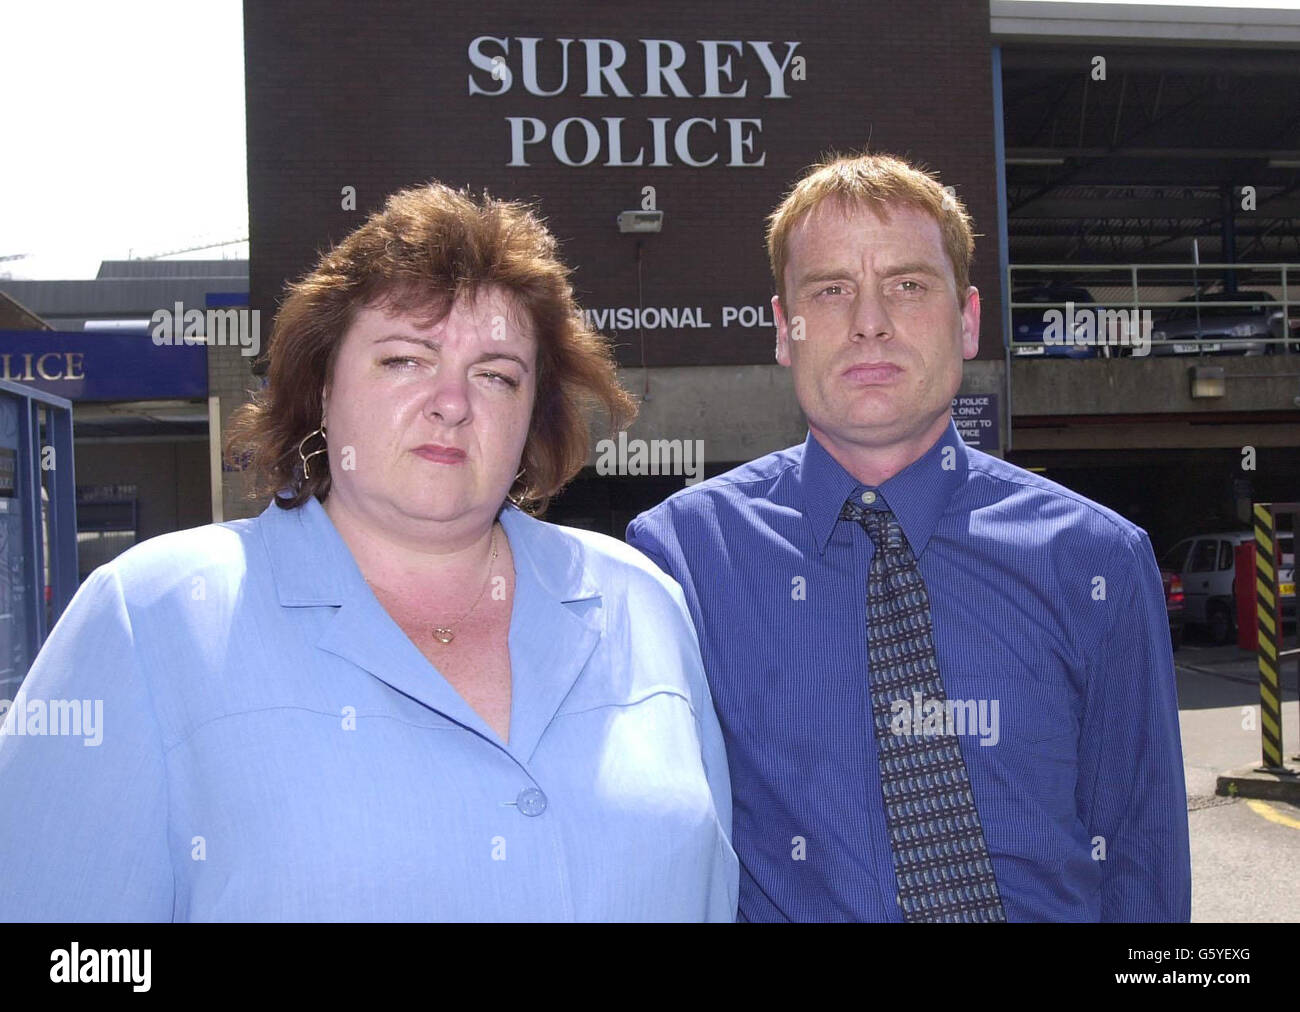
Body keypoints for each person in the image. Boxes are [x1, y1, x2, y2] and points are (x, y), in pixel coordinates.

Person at [0, 182, 737, 922]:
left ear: (533, 415)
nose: (453, 402)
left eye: (496, 374)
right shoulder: (151, 619)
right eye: (404, 360)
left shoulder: (642, 603)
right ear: (321, 388)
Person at [627, 152, 1190, 922]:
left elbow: (1140, 857)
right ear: (784, 331)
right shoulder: (681, 559)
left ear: (967, 321)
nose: (869, 321)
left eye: (908, 285)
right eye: (830, 290)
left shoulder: (1097, 560)